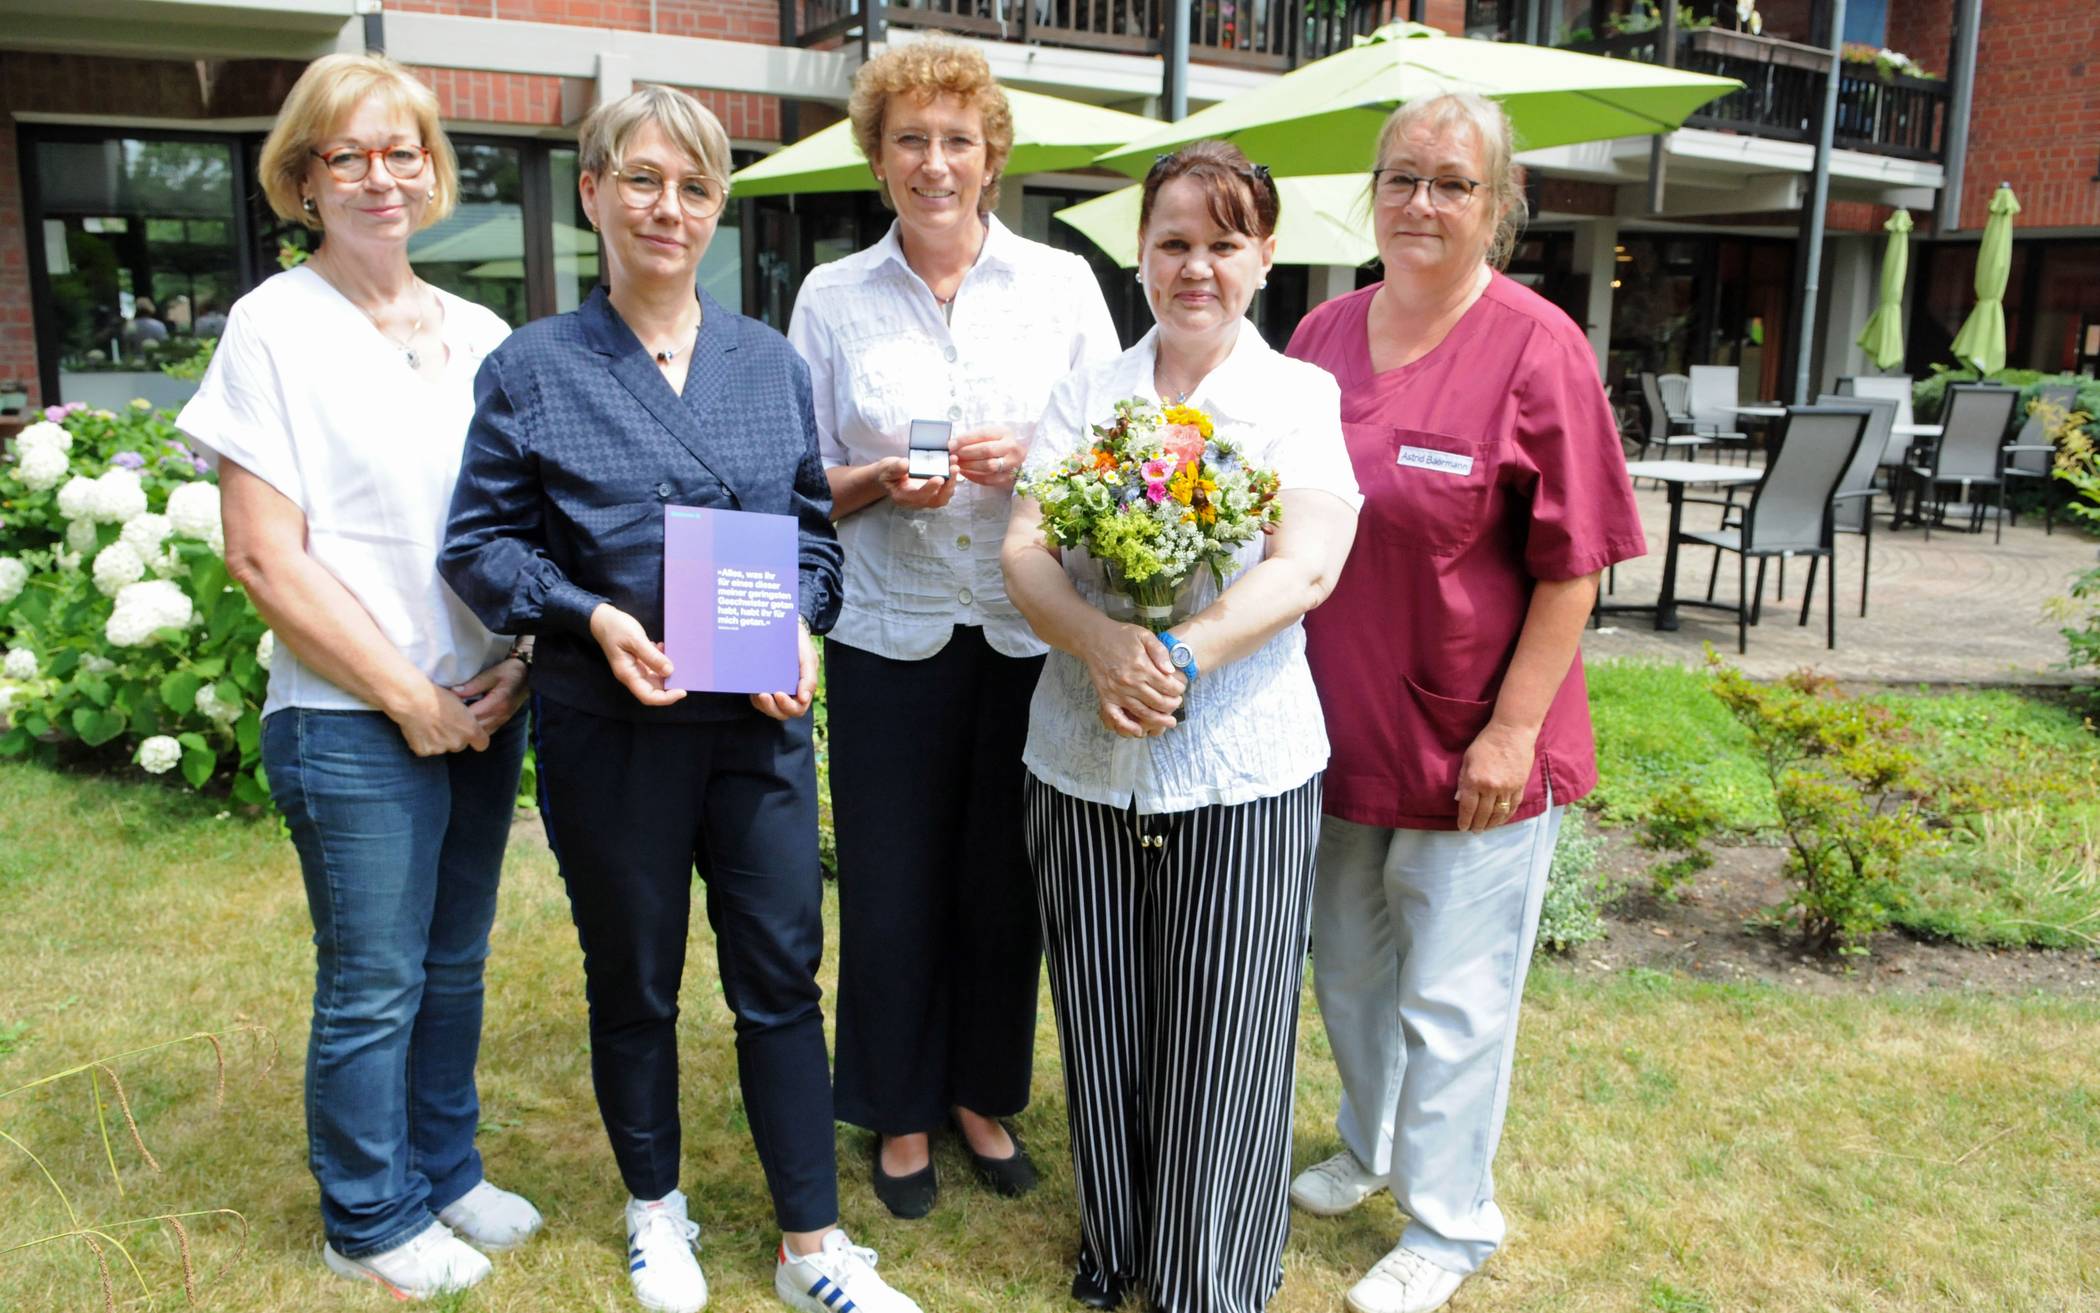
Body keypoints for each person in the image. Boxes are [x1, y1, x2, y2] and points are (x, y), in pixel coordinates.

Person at [439, 85, 923, 1313]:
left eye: (696, 187)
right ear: (592, 192)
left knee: (782, 975)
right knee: (634, 977)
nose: (669, 207)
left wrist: (802, 626)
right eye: (643, 180)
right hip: (611, 725)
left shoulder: (768, 363)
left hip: (757, 727)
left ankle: (812, 1243)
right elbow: (480, 544)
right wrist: (589, 616)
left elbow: (811, 534)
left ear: (717, 210)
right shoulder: (532, 367)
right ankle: (655, 1208)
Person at [176, 52, 536, 1300]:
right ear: (304, 178)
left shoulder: (483, 334)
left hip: (483, 703)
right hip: (350, 715)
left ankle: (445, 1168)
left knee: (454, 961)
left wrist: (518, 663)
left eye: (403, 152)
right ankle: (370, 1214)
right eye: (349, 155)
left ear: (432, 171)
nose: (381, 177)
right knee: (375, 981)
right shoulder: (274, 325)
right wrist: (407, 695)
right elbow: (262, 555)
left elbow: (523, 524)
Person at [1282, 92, 1646, 1313]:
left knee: (1452, 993)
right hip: (1336, 731)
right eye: (1402, 176)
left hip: (1472, 739)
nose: (1421, 202)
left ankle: (1447, 1221)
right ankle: (1374, 1142)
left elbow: (1576, 563)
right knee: (1349, 969)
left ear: (1500, 206)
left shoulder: (1540, 347)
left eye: (1452, 182)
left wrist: (1512, 730)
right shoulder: (1322, 334)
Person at [1001, 139, 1361, 1313]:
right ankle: (1118, 1245)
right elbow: (1025, 549)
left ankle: (1209, 1276)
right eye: (1173, 242)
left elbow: (1306, 564)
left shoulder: (1298, 397)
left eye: (1223, 242)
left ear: (1264, 256)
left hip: (1241, 764)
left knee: (1228, 1034)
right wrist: (1098, 642)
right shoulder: (1087, 394)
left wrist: (1177, 654)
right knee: (1102, 1020)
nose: (1196, 265)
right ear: (1141, 254)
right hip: (1081, 760)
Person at [786, 39, 1117, 1218]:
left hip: (1029, 632)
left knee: (1003, 881)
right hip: (890, 631)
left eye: (957, 141)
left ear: (991, 159)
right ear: (880, 160)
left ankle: (981, 1093)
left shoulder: (1062, 288)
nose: (936, 162)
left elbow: (1114, 456)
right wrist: (879, 480)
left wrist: (1037, 461)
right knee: (889, 882)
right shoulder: (830, 297)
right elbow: (796, 481)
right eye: (911, 140)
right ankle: (899, 1107)